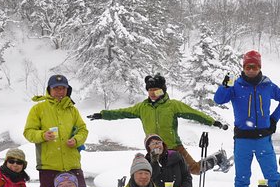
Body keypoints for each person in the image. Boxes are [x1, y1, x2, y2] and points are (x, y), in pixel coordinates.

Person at [88, 74, 230, 175]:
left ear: (162, 90)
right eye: (150, 90)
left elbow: (194, 113)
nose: (152, 93)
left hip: (174, 147)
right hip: (154, 150)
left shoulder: (172, 105)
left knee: (195, 170)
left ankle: (217, 158)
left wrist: (212, 122)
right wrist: (103, 114)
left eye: (156, 90)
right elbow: (121, 112)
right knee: (149, 176)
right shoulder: (142, 107)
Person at [213, 50, 280, 187]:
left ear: (259, 67)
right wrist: (224, 86)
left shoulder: (267, 85)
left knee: (273, 177)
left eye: (254, 66)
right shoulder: (235, 86)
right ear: (243, 67)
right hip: (242, 140)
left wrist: (273, 119)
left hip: (263, 139)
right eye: (247, 66)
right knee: (242, 178)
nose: (250, 70)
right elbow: (218, 100)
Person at [23, 74, 88, 187]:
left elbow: (83, 130)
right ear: (49, 90)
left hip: (72, 165)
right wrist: (42, 135)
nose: (60, 92)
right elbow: (28, 132)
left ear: (67, 90)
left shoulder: (72, 109)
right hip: (49, 166)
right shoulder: (38, 109)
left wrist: (76, 140)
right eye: (56, 88)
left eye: (63, 88)